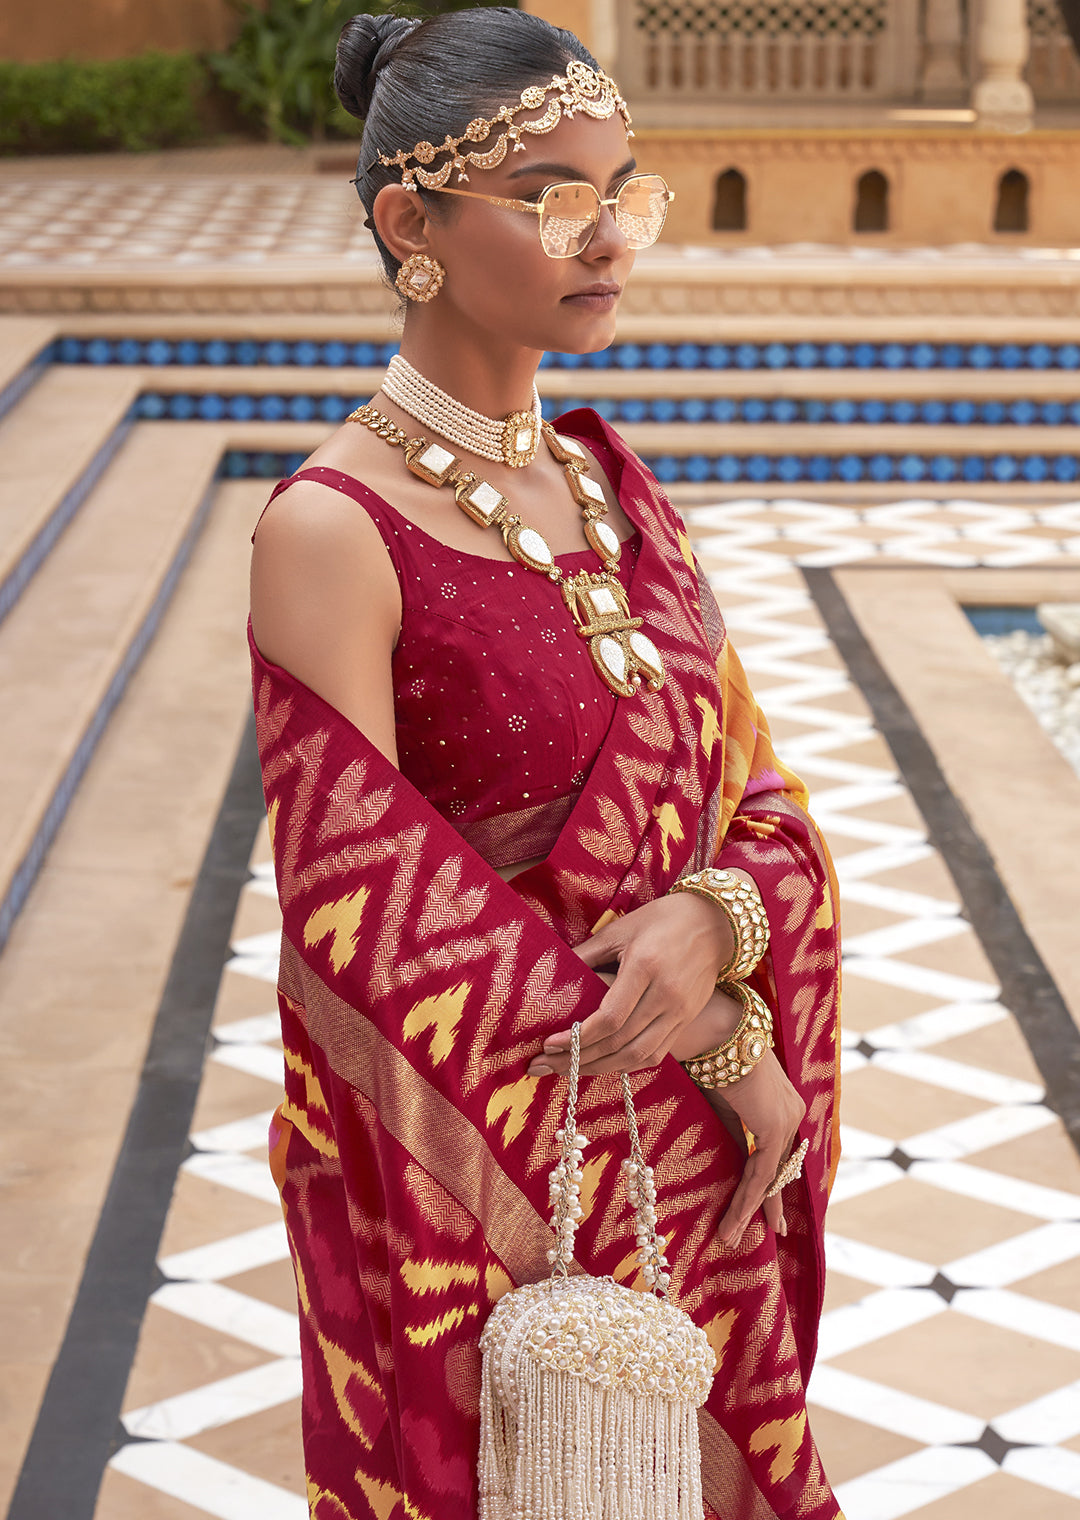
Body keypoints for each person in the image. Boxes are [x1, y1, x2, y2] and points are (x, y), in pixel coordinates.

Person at [248, 8, 843, 1518]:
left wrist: (727, 917)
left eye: (625, 194)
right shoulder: (334, 530)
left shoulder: (608, 481)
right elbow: (367, 931)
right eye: (558, 200)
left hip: (694, 1165)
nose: (611, 240)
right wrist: (715, 1032)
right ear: (412, 223)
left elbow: (754, 792)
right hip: (488, 1183)